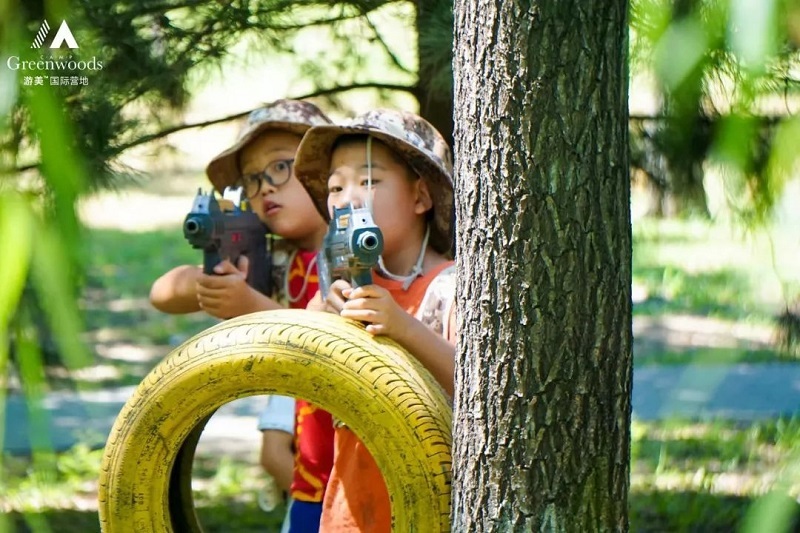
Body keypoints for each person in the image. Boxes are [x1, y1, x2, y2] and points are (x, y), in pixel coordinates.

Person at [148, 99, 336, 532]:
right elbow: (162, 293)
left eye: (281, 167)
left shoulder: (355, 255)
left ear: (325, 170)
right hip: (312, 481)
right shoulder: (278, 260)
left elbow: (336, 347)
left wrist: (253, 306)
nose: (265, 186)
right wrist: (212, 278)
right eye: (252, 178)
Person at [294, 108, 457, 531]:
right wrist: (319, 327)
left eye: (368, 181)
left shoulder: (449, 287)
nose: (347, 199)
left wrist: (403, 328)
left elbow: (474, 388)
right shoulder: (340, 292)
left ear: (421, 197)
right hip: (348, 515)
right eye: (335, 187)